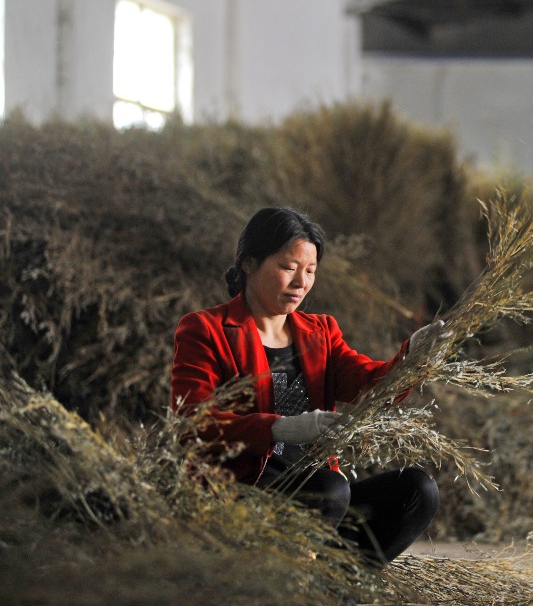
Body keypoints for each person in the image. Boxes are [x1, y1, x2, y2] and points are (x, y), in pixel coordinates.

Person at [171, 206, 445, 567]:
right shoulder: (206, 330)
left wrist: (412, 359)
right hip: (247, 497)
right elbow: (193, 422)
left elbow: (369, 386)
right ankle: (294, 578)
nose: (301, 283)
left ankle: (340, 581)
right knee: (329, 489)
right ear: (249, 264)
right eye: (288, 268)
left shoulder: (320, 332)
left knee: (417, 490)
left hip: (322, 500)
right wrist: (279, 428)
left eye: (310, 271)